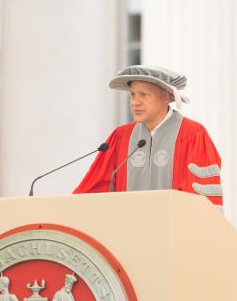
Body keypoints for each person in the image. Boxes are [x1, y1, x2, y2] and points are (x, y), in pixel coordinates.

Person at [74, 65, 223, 205]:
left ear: (165, 96)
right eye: (132, 95)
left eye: (143, 95)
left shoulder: (192, 135)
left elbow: (198, 202)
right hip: (126, 230)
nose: (134, 102)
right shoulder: (120, 137)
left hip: (171, 230)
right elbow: (93, 192)